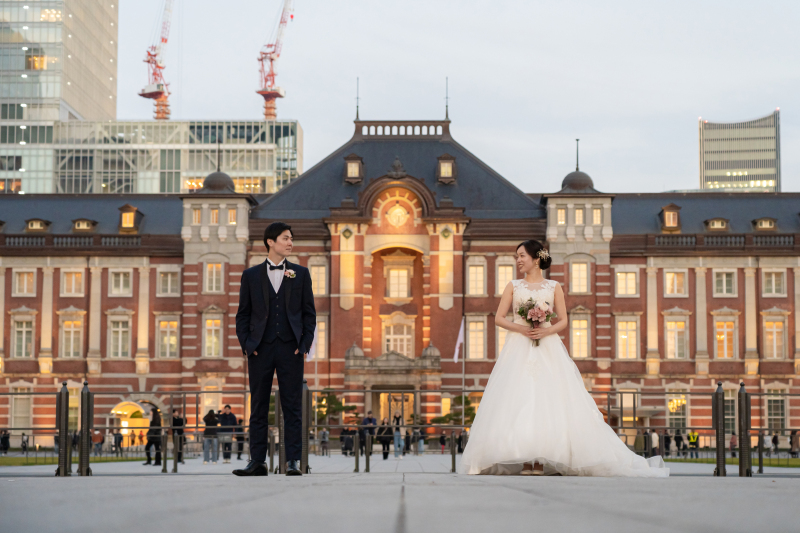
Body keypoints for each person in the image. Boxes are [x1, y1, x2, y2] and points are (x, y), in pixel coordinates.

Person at [459, 240, 668, 477]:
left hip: (547, 346)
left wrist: (546, 330)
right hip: (519, 346)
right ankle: (526, 461)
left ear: (536, 258)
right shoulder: (513, 286)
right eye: (516, 256)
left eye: (521, 256)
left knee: (549, 399)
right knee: (520, 397)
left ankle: (541, 462)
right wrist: (523, 329)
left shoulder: (553, 286)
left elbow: (564, 320)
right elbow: (498, 318)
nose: (517, 260)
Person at [233, 221, 316, 477]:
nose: (290, 242)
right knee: (258, 406)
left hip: (291, 349)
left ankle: (292, 462)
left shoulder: (300, 274)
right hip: (260, 349)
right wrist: (248, 345)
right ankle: (257, 462)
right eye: (285, 238)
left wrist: (303, 345)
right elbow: (242, 315)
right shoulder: (250, 275)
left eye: (291, 238)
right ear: (270, 241)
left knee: (292, 406)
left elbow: (309, 315)